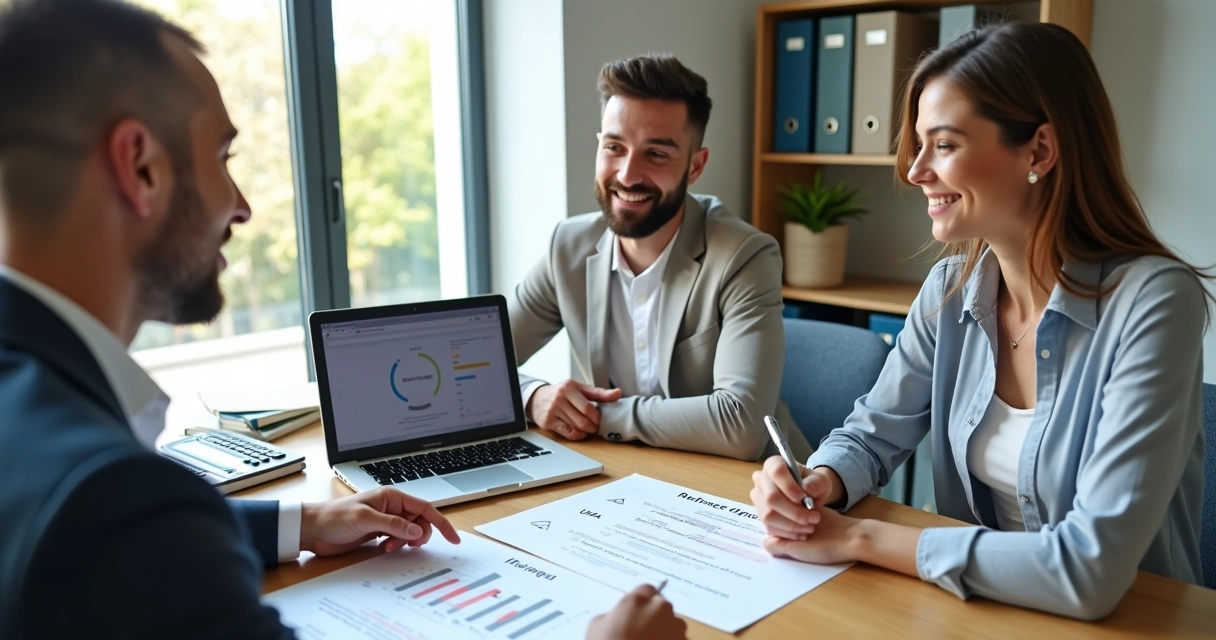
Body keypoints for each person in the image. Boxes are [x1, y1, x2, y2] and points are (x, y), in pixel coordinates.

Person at [0, 1, 684, 638]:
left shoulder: (70, 464)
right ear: (140, 167)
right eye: (221, 158)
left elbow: (139, 542)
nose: (241, 206)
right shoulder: (110, 499)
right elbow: (126, 530)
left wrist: (302, 523)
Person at [750, 22, 1209, 621]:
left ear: (1039, 151)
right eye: (918, 145)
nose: (915, 171)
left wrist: (858, 537)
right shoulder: (950, 290)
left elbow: (1090, 569)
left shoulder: (1153, 303)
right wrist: (819, 481)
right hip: (977, 610)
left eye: (943, 145)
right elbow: (871, 435)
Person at [510, 54, 810, 462]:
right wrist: (534, 396)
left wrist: (594, 415)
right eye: (614, 147)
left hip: (748, 484)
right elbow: (477, 370)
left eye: (656, 154)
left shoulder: (745, 256)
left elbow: (740, 425)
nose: (628, 175)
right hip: (628, 472)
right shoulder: (568, 248)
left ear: (695, 166)